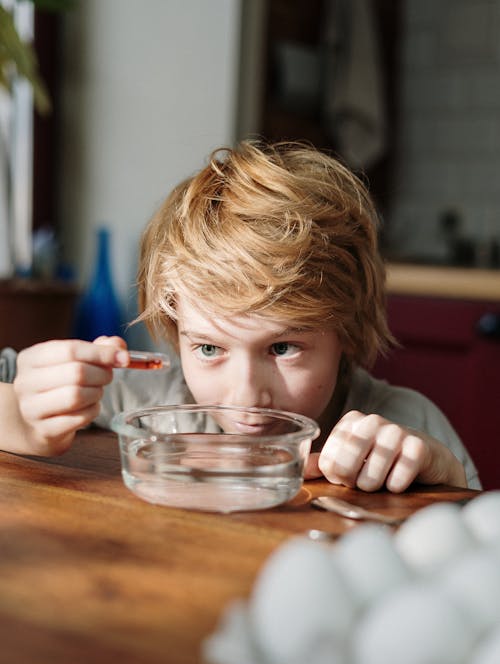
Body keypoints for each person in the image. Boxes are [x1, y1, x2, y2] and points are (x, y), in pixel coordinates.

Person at [0, 141, 480, 491]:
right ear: (174, 330)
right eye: (209, 348)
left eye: (283, 348)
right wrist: (23, 420)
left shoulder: (409, 423)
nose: (247, 397)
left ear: (347, 331)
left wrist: (444, 482)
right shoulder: (144, 397)